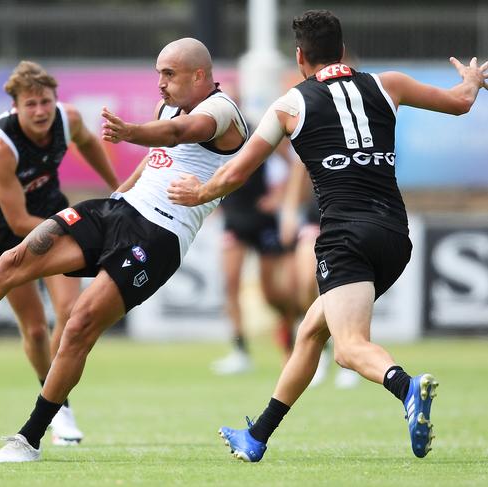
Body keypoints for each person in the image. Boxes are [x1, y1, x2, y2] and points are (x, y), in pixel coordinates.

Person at [0, 38, 248, 463]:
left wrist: (129, 132)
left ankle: (30, 439)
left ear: (199, 75)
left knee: (78, 325)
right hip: (118, 211)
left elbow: (177, 135)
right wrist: (119, 192)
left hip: (158, 237)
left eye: (168, 74)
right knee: (12, 262)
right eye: (158, 73)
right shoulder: (166, 106)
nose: (160, 83)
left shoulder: (222, 110)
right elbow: (155, 157)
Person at [168, 10, 487, 461]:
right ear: (341, 51)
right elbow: (460, 101)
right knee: (311, 332)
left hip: (344, 238)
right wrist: (472, 78)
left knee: (349, 347)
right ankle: (257, 435)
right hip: (395, 235)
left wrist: (198, 190)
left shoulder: (289, 104)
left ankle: (406, 386)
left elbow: (237, 171)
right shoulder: (387, 83)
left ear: (300, 57)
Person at [0, 60, 120, 444]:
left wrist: (118, 189)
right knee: (36, 329)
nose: (40, 111)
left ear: (55, 100)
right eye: (30, 104)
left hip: (55, 214)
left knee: (71, 313)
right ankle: (57, 401)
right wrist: (69, 228)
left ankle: (59, 407)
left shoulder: (67, 119)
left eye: (45, 102)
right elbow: (20, 220)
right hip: (6, 231)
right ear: (15, 106)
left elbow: (89, 143)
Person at [212, 139, 297, 375]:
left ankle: (291, 343)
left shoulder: (257, 131)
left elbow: (294, 164)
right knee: (230, 284)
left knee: (272, 292)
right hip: (234, 221)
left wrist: (280, 196)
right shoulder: (210, 132)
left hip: (262, 220)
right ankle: (240, 351)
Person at [280, 159, 359, 389]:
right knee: (306, 284)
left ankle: (348, 357)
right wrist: (290, 212)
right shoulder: (312, 127)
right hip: (315, 218)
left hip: (347, 219)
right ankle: (322, 348)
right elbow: (298, 169)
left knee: (345, 290)